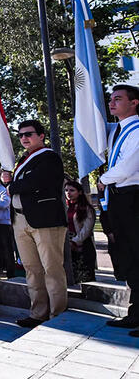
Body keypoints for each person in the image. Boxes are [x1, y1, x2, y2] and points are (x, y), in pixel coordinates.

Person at [8, 119, 68, 328]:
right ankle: (38, 313)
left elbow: (36, 182)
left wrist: (11, 185)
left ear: (41, 136)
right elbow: (24, 184)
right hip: (20, 219)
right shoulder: (24, 160)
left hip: (45, 220)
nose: (24, 138)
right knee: (32, 269)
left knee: (52, 268)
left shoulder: (49, 157)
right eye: (21, 135)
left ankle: (57, 314)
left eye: (29, 134)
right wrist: (13, 183)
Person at [97, 84, 139, 333]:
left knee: (136, 255)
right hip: (120, 197)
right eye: (111, 99)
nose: (112, 103)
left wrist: (103, 180)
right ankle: (135, 312)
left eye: (118, 99)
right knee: (130, 259)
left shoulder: (136, 130)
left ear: (134, 103)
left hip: (132, 197)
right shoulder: (120, 130)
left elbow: (128, 166)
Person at [64, 180, 96, 283]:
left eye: (72, 190)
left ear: (80, 192)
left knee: (85, 278)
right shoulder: (65, 207)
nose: (68, 193)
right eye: (66, 190)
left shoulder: (87, 208)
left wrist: (75, 241)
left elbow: (87, 229)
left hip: (83, 246)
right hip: (66, 245)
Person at [0, 169, 18, 280]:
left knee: (7, 249)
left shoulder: (2, 189)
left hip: (3, 224)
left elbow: (5, 203)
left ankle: (11, 273)